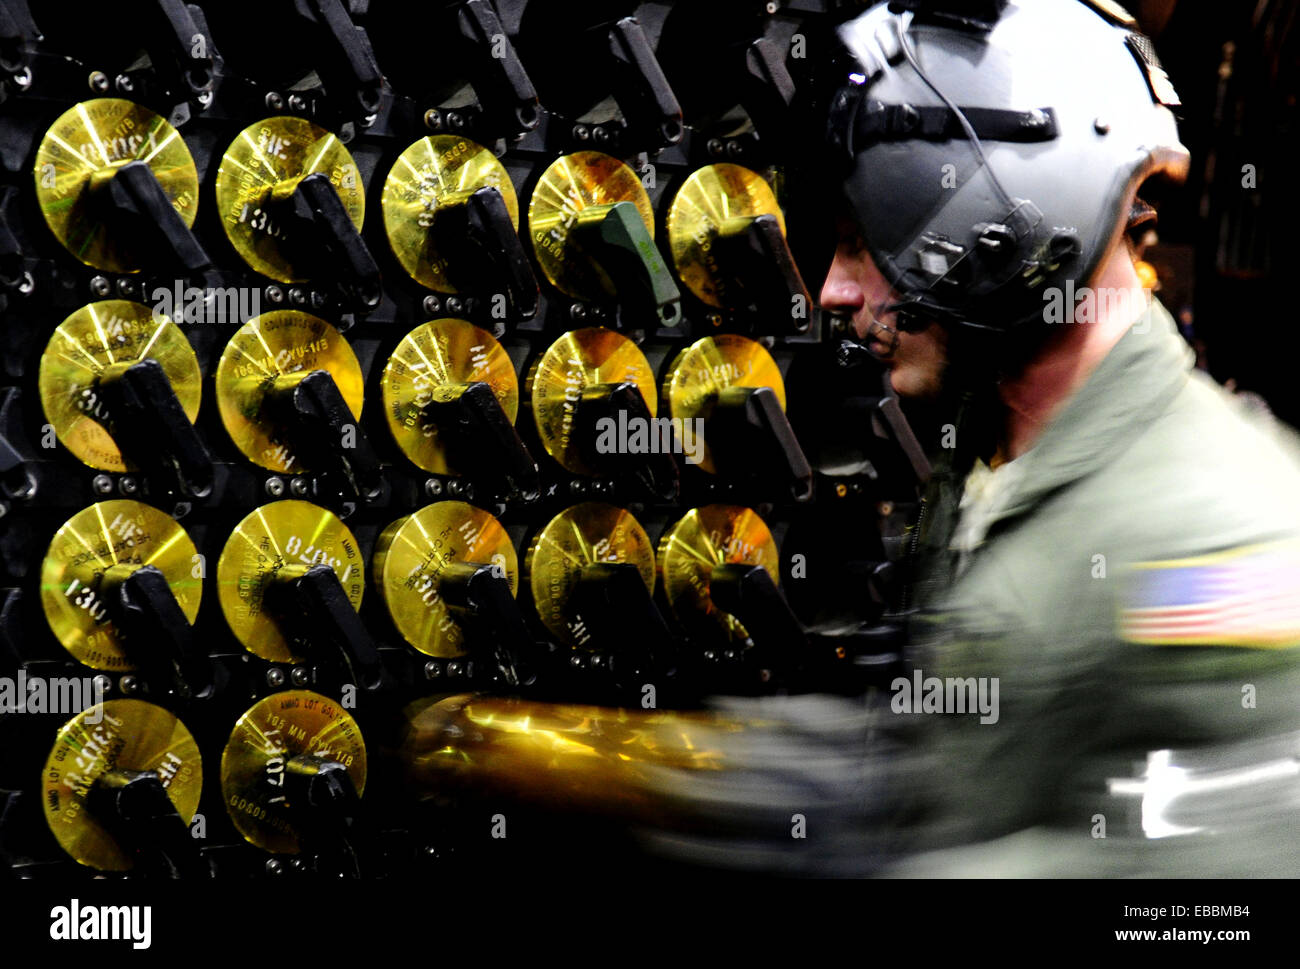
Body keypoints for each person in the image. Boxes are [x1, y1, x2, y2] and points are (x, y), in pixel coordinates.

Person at [811, 0, 1300, 875]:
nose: (833, 293)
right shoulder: (995, 462)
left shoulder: (1228, 526)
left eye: (861, 245)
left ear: (995, 238)